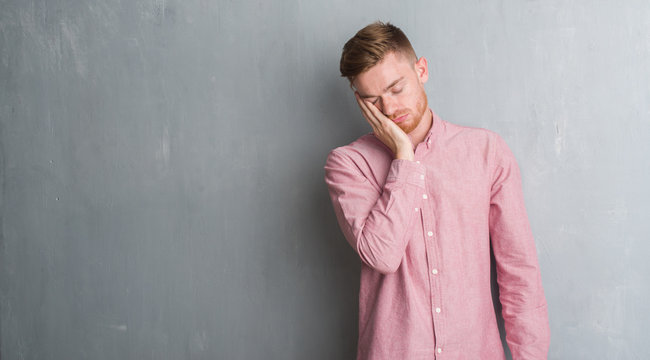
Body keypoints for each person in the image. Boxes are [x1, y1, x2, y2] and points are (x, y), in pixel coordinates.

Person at [324, 21, 550, 359]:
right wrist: (404, 156)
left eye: (397, 88)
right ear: (360, 102)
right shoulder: (348, 164)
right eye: (373, 100)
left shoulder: (486, 151)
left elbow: (519, 273)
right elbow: (382, 256)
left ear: (422, 70)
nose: (389, 109)